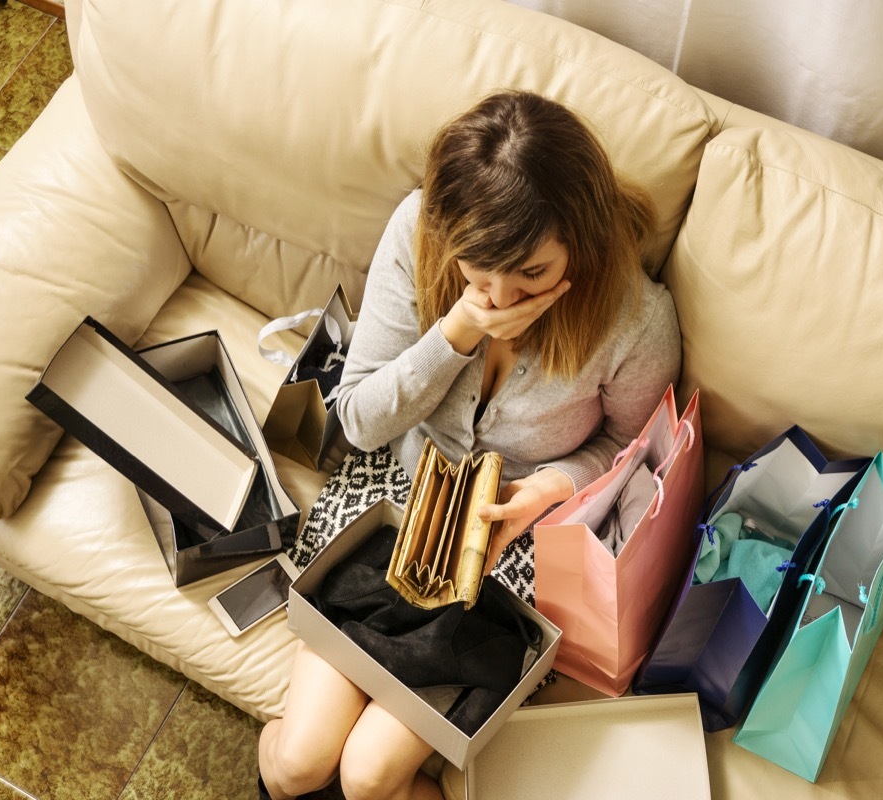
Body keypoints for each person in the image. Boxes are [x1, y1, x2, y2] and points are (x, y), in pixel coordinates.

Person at [258, 89, 681, 800]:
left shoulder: (636, 318)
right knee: (297, 764)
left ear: (581, 239)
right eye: (477, 274)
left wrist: (554, 486)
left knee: (367, 778)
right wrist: (456, 330)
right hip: (389, 506)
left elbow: (632, 449)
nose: (502, 301)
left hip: (509, 551)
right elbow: (358, 419)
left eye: (531, 276)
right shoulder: (416, 232)